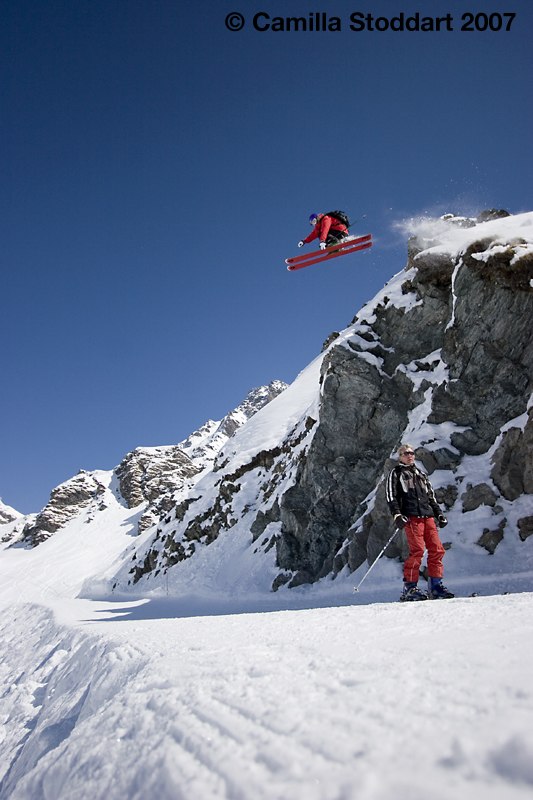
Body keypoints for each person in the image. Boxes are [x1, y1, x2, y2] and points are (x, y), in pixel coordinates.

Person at [386, 443, 454, 601]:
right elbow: (391, 496)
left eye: (411, 453)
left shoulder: (420, 474)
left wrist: (439, 514)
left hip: (427, 516)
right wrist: (397, 515)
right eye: (405, 453)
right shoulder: (396, 473)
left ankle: (436, 586)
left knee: (437, 550)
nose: (409, 455)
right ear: (400, 457)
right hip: (411, 517)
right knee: (417, 551)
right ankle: (409, 588)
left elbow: (431, 497)